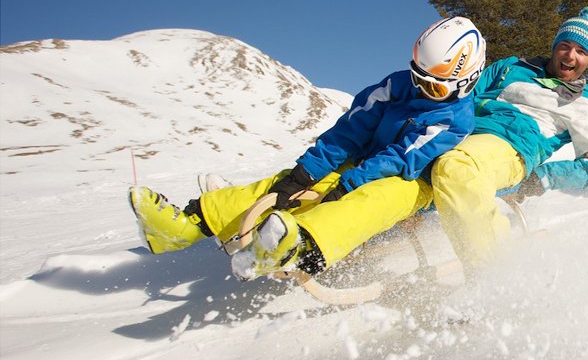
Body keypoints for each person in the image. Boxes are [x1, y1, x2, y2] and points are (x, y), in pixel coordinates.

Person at [127, 16, 485, 281]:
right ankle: (189, 224)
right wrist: (305, 174)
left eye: (434, 87)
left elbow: (400, 160)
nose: (421, 90)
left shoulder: (455, 119)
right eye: (417, 78)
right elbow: (349, 132)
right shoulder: (395, 87)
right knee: (289, 182)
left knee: (377, 198)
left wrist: (346, 187)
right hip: (362, 163)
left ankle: (299, 245)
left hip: (409, 182)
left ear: (464, 82)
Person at [430, 6, 588, 275]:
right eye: (565, 45)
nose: (571, 56)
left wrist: (543, 177)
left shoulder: (584, 104)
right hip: (459, 134)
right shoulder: (510, 67)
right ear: (555, 46)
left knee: (456, 168)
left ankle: (492, 274)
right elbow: (465, 96)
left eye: (582, 51)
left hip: (509, 150)